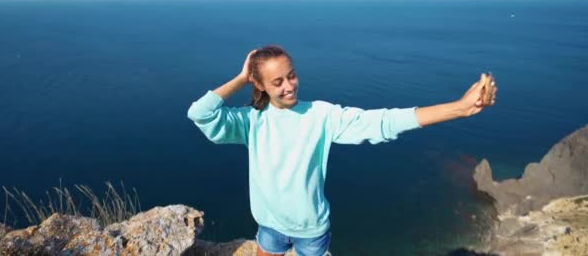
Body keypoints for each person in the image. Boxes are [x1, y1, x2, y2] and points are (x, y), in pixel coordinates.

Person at [187, 45, 497, 256]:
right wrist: (242, 78)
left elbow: (383, 122)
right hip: (268, 227)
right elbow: (200, 113)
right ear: (261, 86)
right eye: (277, 81)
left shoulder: (321, 116)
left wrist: (458, 108)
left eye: (291, 75)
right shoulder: (250, 122)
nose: (289, 86)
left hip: (311, 232)